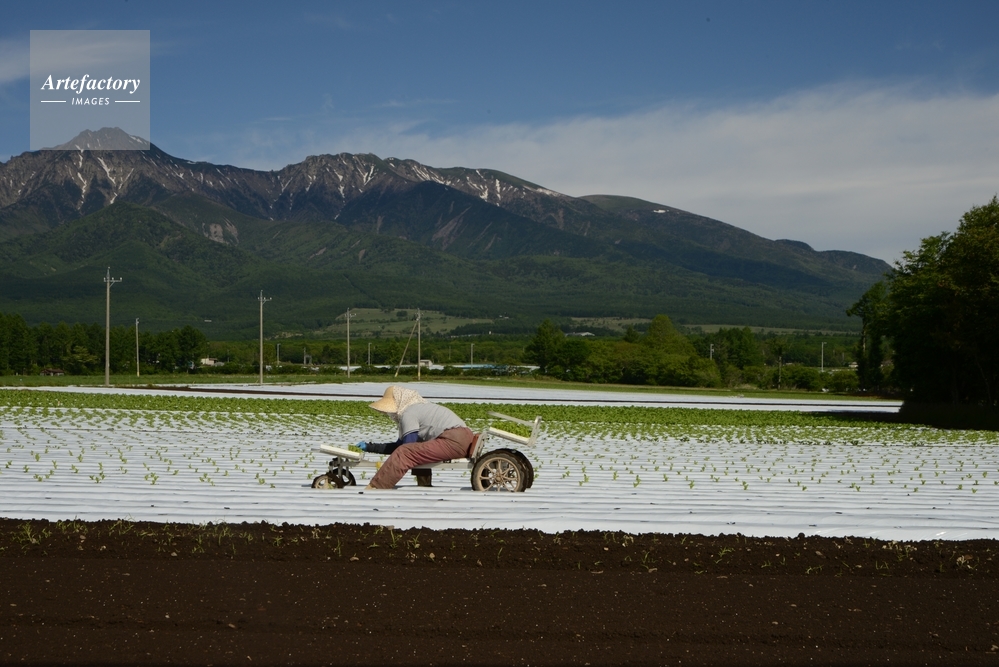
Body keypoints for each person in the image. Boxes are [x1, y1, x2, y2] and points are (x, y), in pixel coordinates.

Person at [358, 385, 474, 490]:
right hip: (463, 438)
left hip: (453, 441)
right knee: (416, 449)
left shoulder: (409, 413)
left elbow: (406, 448)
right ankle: (424, 486)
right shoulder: (418, 408)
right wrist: (369, 447)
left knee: (406, 452)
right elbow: (400, 445)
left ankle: (376, 487)